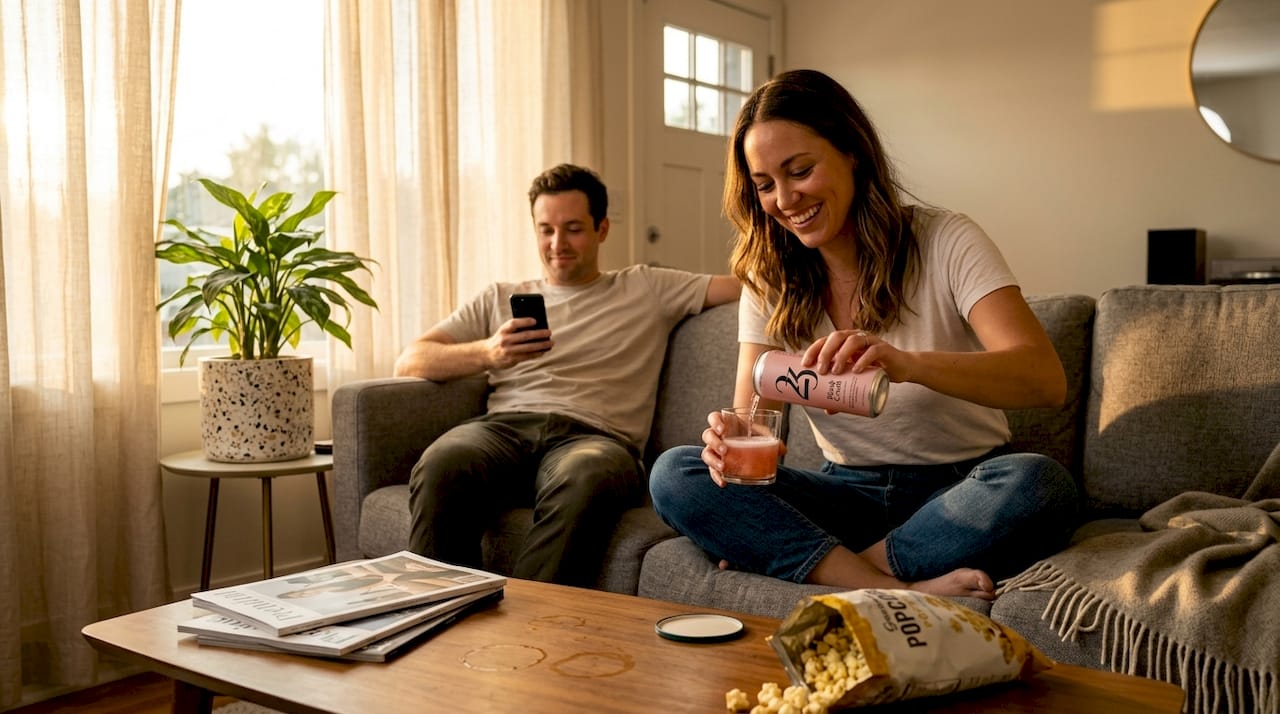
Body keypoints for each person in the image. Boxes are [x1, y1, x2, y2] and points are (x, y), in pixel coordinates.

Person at [648, 70, 1080, 601]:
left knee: (1039, 484)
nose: (784, 200)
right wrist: (727, 449)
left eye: (800, 170)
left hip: (958, 490)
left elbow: (1044, 378)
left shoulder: (946, 240)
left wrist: (909, 365)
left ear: (852, 151)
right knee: (676, 472)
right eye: (764, 185)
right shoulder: (769, 278)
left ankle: (838, 571)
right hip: (844, 493)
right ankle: (900, 589)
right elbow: (757, 435)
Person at [394, 163, 741, 587]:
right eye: (546, 229)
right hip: (504, 431)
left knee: (584, 475)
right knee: (441, 464)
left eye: (573, 228)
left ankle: (527, 624)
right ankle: (438, 615)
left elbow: (748, 287)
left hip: (595, 440)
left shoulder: (647, 287)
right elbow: (411, 359)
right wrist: (489, 352)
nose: (557, 243)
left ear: (602, 229)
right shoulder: (498, 297)